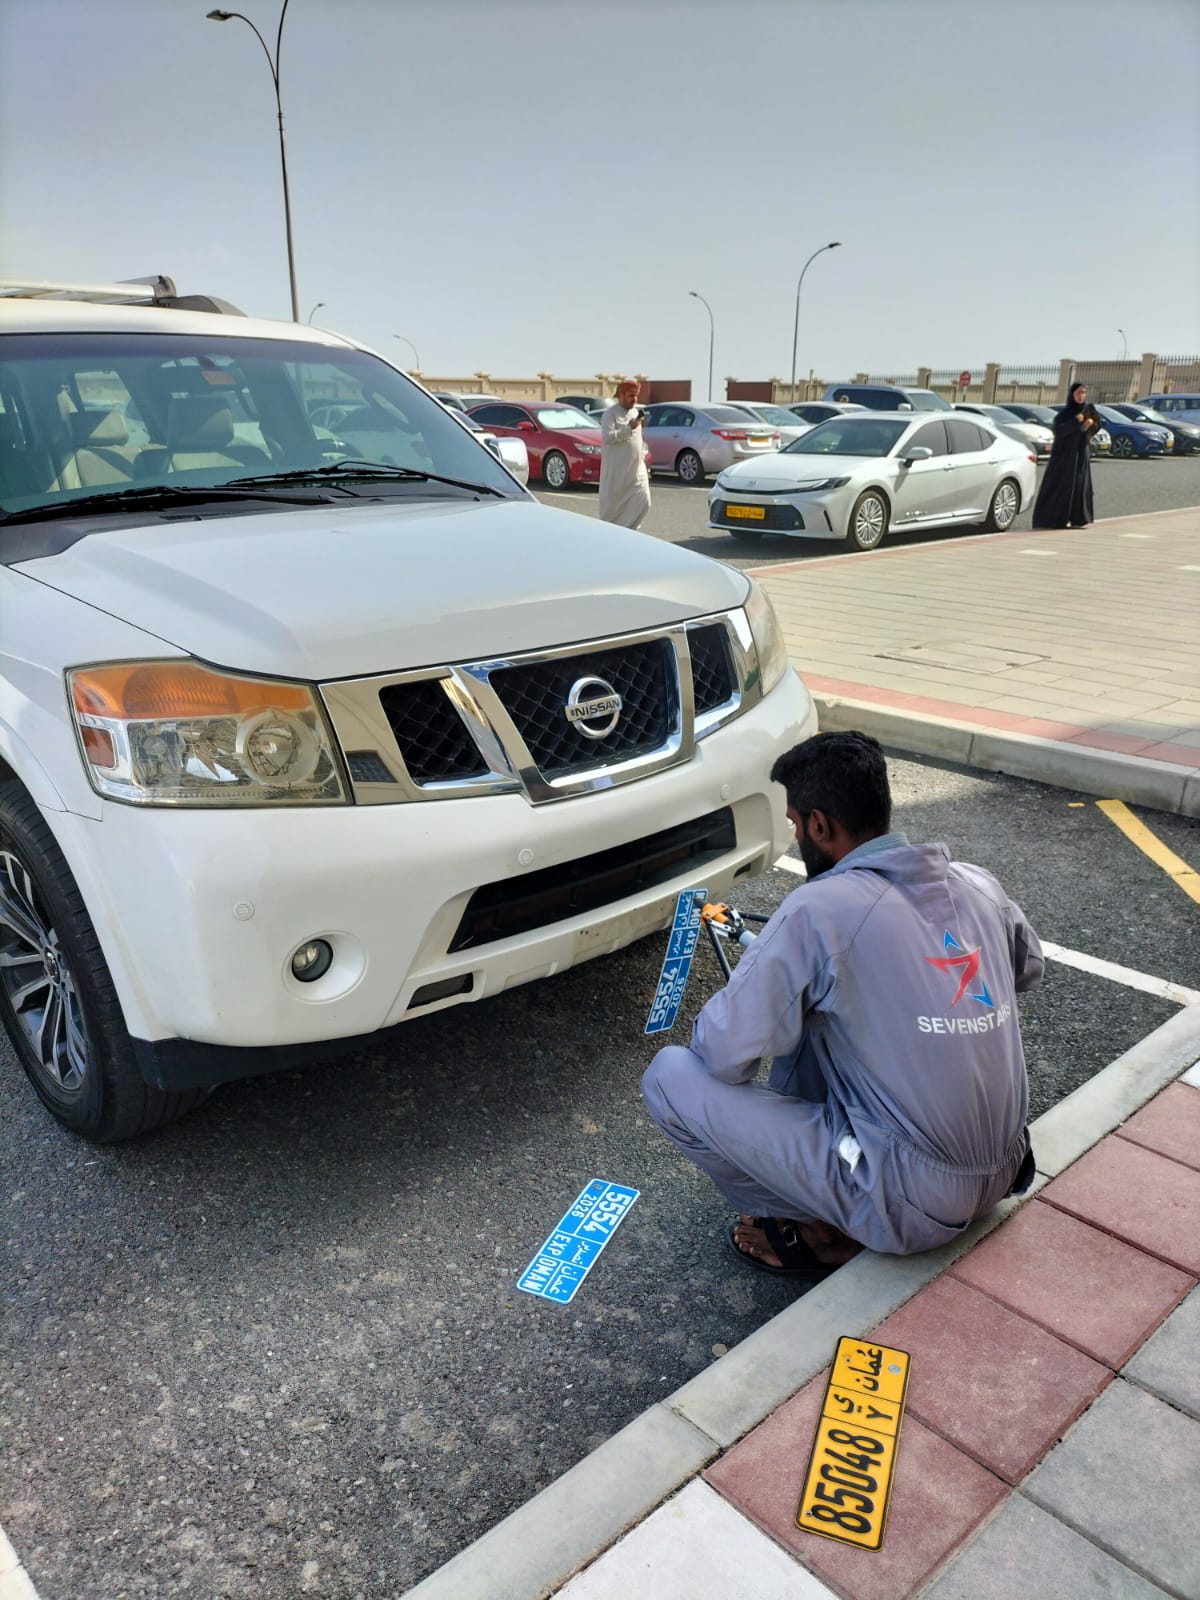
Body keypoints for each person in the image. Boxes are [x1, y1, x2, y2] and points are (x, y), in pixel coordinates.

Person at [641, 731, 1043, 1280]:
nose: (797, 834)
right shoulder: (978, 884)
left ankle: (815, 1228)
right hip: (1007, 1166)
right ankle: (850, 1195)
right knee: (825, 1016)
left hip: (911, 1199)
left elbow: (722, 1054)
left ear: (819, 826)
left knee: (670, 1077)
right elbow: (1026, 971)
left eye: (794, 823)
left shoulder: (821, 907)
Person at [1032, 381, 1099, 529]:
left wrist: (1090, 426)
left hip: (1081, 453)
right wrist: (1076, 421)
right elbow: (1059, 431)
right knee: (1061, 486)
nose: (1081, 396)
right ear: (1072, 394)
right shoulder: (1064, 414)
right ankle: (1055, 519)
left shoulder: (1088, 410)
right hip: (1064, 455)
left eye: (1083, 393)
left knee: (1080, 484)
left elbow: (1096, 426)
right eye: (1078, 393)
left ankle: (1078, 518)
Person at [599, 379, 651, 529]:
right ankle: (619, 534)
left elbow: (638, 442)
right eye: (630, 395)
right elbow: (608, 437)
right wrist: (628, 428)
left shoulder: (635, 413)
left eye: (636, 396)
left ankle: (630, 530)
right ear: (621, 395)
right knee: (613, 511)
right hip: (617, 474)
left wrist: (645, 466)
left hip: (636, 470)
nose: (634, 399)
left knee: (644, 500)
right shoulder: (610, 414)